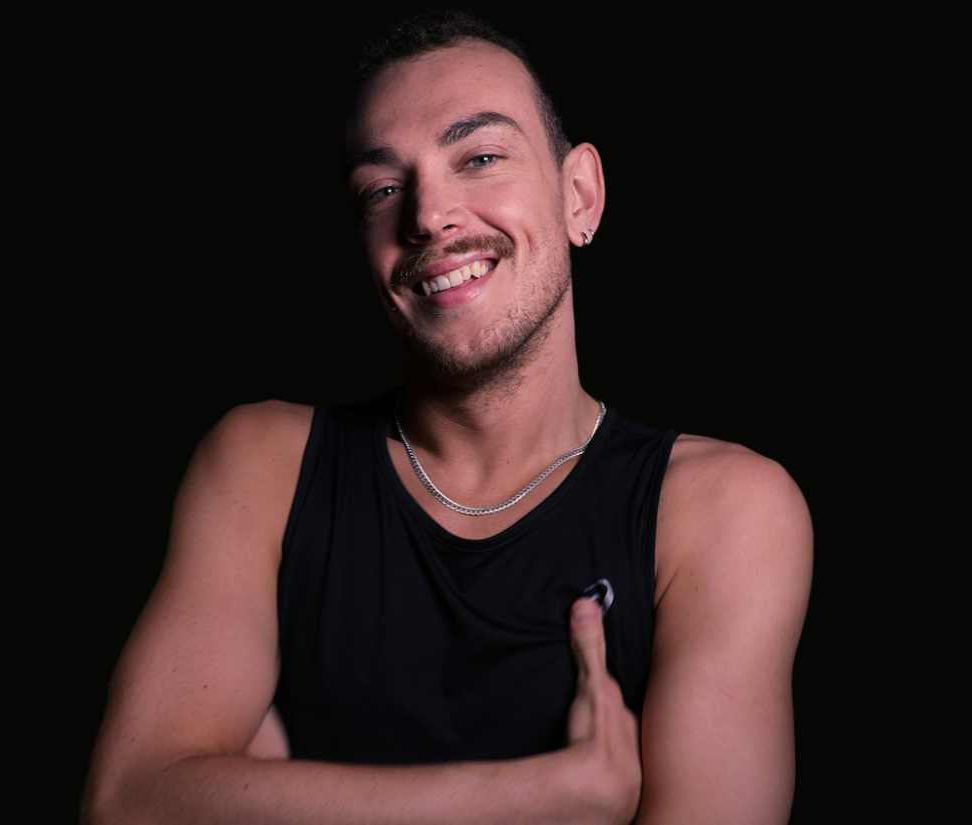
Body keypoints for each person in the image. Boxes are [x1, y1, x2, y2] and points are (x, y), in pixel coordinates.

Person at [82, 11, 812, 824]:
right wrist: (539, 796)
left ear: (580, 196)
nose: (429, 215)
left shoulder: (725, 510)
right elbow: (127, 801)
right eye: (384, 189)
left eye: (482, 157)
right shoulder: (262, 463)